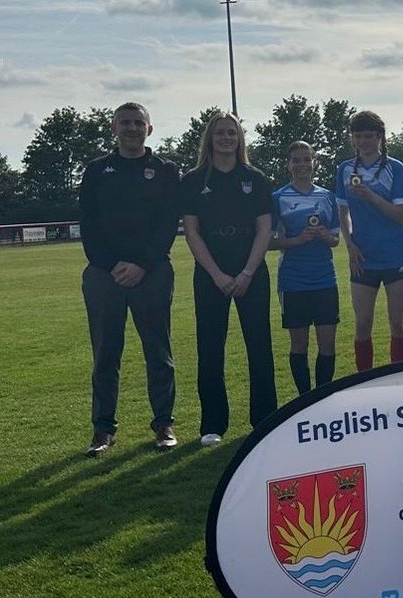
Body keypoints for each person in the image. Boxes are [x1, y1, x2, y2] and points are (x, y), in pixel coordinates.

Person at [79, 101, 180, 456]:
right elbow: (88, 225)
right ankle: (103, 429)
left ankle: (163, 423)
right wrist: (112, 265)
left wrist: (140, 263)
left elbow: (168, 223)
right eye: (125, 123)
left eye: (139, 123)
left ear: (149, 129)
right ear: (114, 128)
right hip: (104, 275)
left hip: (152, 273)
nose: (132, 128)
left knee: (158, 350)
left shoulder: (166, 170)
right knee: (106, 353)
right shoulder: (95, 170)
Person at [180, 112, 277, 446]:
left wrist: (248, 271)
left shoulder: (255, 177)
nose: (225, 138)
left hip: (251, 270)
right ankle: (212, 424)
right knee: (209, 348)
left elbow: (265, 229)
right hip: (211, 273)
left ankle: (265, 419)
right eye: (220, 133)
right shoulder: (193, 180)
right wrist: (217, 274)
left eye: (231, 133)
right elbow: (191, 232)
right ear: (210, 138)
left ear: (239, 139)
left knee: (259, 346)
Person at [336, 110, 403, 369]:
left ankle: (397, 376)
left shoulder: (396, 168)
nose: (362, 142)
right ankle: (362, 382)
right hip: (363, 257)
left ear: (379, 136)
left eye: (368, 136)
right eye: (357, 136)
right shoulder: (345, 169)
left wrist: (372, 197)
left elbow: (401, 215)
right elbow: (342, 211)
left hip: (395, 255)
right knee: (362, 324)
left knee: (397, 323)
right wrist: (350, 244)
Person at [271, 141, 341, 395]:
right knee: (299, 344)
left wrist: (324, 236)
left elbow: (335, 240)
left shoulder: (326, 196)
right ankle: (304, 397)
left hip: (324, 279)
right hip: (293, 281)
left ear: (314, 163)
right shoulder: (278, 198)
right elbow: (268, 241)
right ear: (288, 164)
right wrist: (297, 240)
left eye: (306, 159)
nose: (302, 165)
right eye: (296, 160)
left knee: (327, 344)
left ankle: (321, 396)